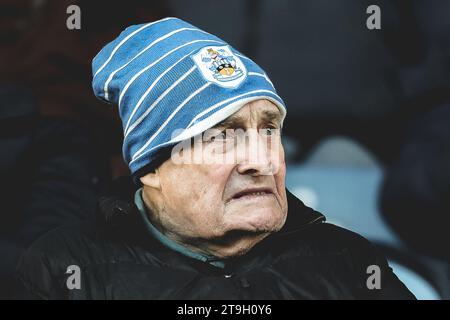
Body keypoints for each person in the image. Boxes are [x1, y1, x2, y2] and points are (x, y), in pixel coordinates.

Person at [15, 17, 414, 299]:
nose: (263, 161)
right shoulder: (66, 269)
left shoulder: (347, 260)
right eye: (223, 136)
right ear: (152, 168)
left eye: (269, 129)